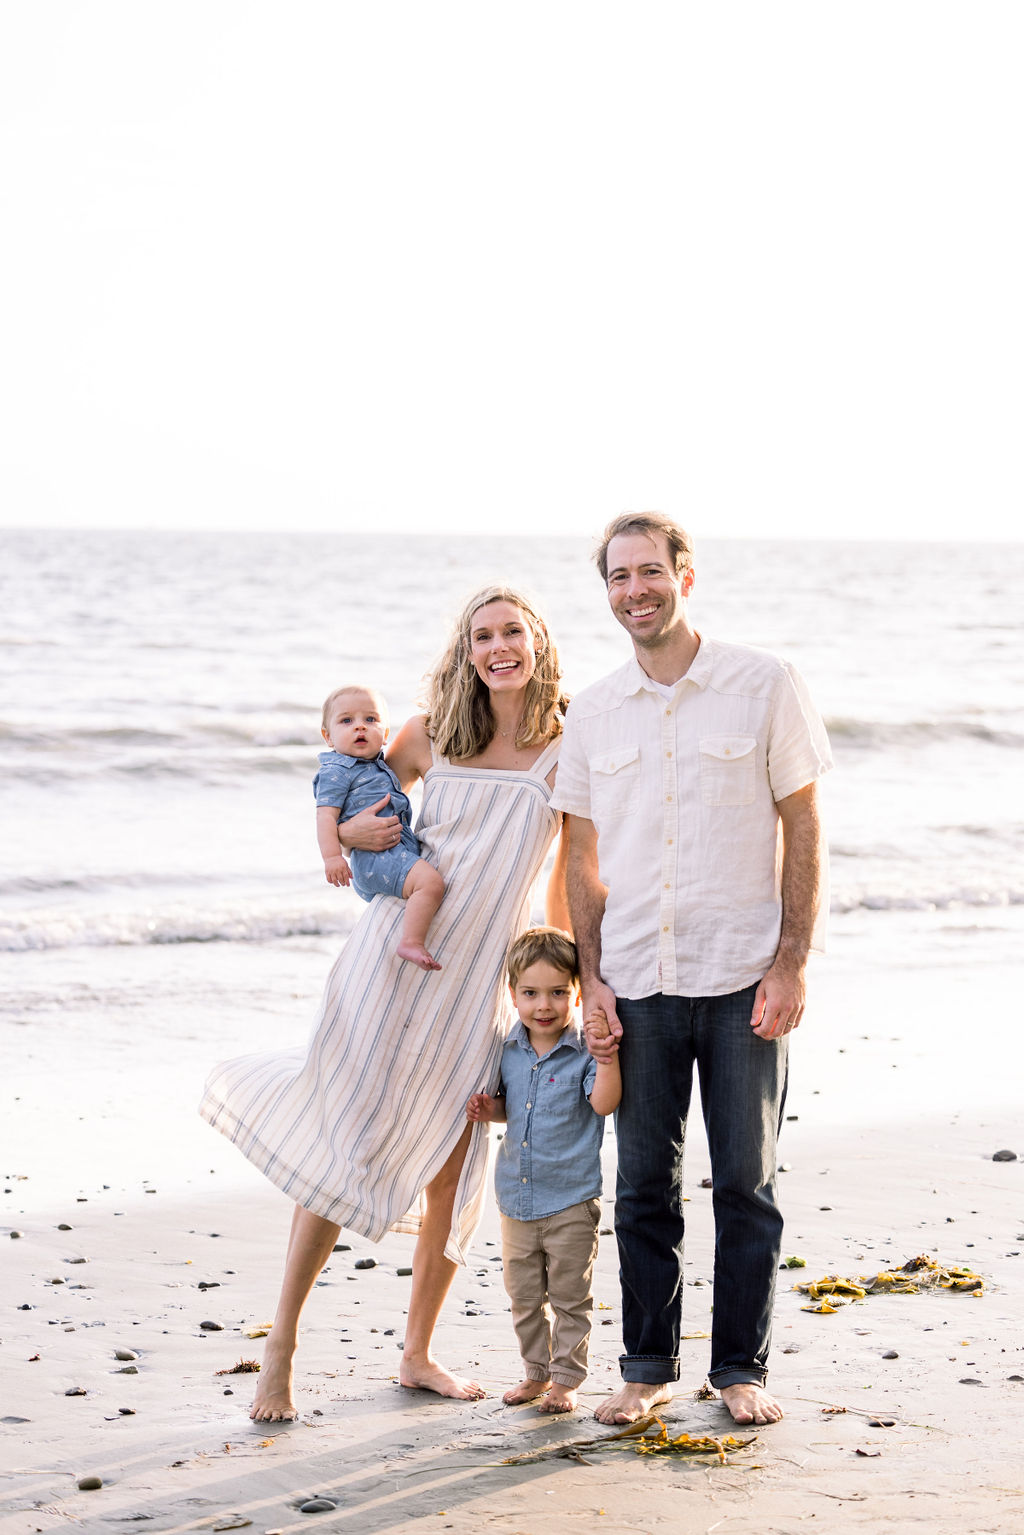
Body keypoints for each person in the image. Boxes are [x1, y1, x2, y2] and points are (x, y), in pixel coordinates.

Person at [200, 585, 569, 1421]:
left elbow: (568, 876)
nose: (498, 647)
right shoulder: (434, 728)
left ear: (539, 639)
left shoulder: (567, 744)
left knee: (452, 1163)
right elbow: (352, 794)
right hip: (391, 963)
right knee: (341, 1150)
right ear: (466, 648)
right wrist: (354, 839)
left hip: (480, 983)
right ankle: (282, 1348)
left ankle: (417, 1352)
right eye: (483, 635)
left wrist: (565, 983)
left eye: (513, 631)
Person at [549, 512, 832, 1429]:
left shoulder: (764, 682)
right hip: (638, 979)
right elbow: (579, 855)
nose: (635, 590)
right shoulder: (591, 711)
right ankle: (645, 1366)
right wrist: (591, 976)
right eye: (618, 577)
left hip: (745, 974)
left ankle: (741, 1368)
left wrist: (791, 961)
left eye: (650, 572)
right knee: (641, 1186)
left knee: (747, 1181)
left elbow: (804, 826)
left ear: (686, 575)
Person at [466, 927, 621, 1414]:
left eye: (558, 992)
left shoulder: (583, 1053)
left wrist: (607, 1059)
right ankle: (535, 1371)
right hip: (516, 1196)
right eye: (531, 994)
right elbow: (517, 1108)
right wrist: (489, 1110)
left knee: (571, 1295)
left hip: (571, 1197)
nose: (544, 1006)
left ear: (577, 992)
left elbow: (602, 1104)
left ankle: (567, 1379)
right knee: (524, 1293)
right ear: (513, 995)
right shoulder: (507, 1049)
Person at [315, 684, 445, 971]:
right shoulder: (337, 771)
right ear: (328, 736)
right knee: (430, 884)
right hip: (376, 858)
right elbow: (325, 815)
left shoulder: (376, 765)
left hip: (388, 854)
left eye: (370, 720)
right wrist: (333, 857)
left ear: (386, 735)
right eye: (346, 721)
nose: (360, 727)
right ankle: (411, 941)